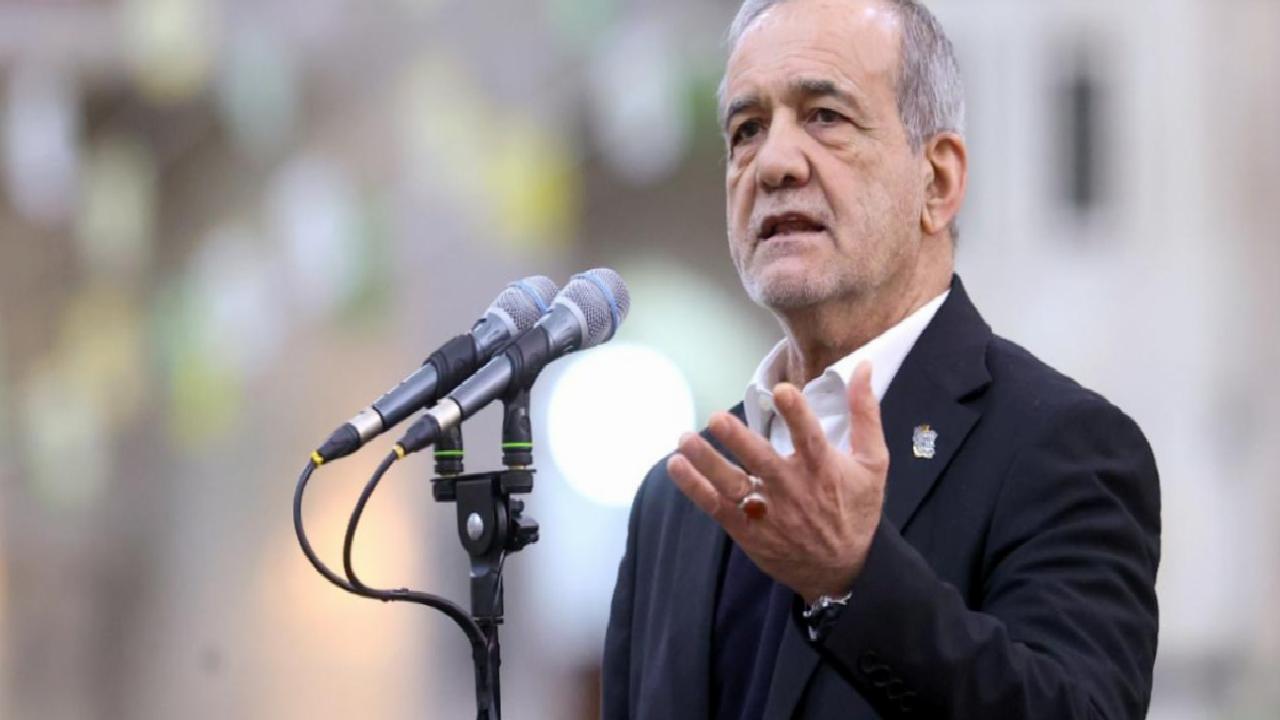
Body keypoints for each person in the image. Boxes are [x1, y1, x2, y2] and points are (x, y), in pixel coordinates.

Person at [601, 0, 1161, 718]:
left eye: (825, 116)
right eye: (747, 130)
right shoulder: (675, 498)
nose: (774, 163)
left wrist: (855, 582)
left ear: (938, 181)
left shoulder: (1061, 447)